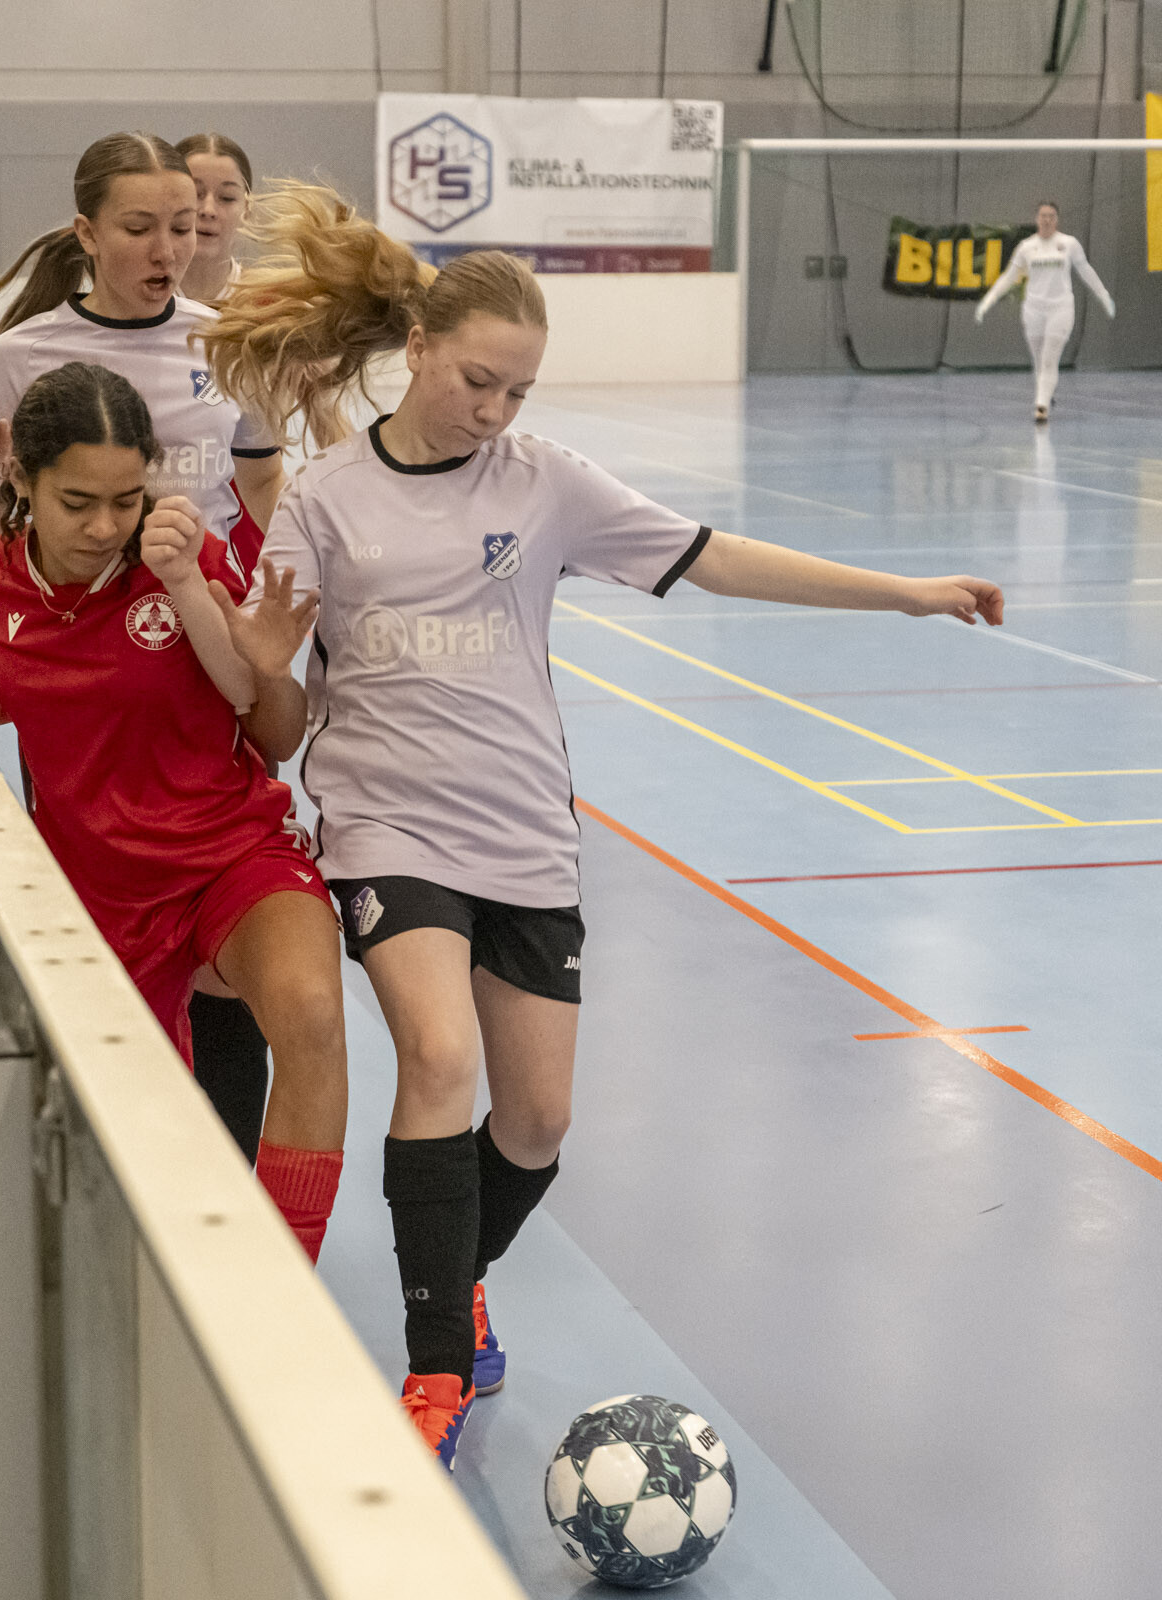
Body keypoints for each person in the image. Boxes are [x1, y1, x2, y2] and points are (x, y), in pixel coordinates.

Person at [201, 183, 1007, 1466]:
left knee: (537, 1123)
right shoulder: (326, 500)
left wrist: (904, 594)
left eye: (518, 392)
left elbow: (717, 556)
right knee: (439, 1059)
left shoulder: (546, 484)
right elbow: (282, 719)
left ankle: (455, 1273)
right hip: (385, 827)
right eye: (477, 381)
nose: (495, 411)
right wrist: (261, 659)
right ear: (419, 347)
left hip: (523, 831)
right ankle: (434, 1371)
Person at [0, 131, 287, 1161]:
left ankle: (221, 1179)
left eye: (183, 227)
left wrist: (290, 579)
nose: (167, 248)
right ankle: (118, 1154)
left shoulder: (228, 345)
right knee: (108, 931)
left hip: (201, 665)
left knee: (225, 942)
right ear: (86, 233)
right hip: (81, 693)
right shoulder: (23, 355)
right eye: (139, 228)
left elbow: (260, 478)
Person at [0, 361, 347, 1259]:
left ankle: (278, 1277)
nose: (105, 526)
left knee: (310, 1015)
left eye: (124, 498)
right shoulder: (0, 574)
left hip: (230, 855)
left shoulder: (185, 559)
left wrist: (231, 630)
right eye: (77, 503)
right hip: (98, 897)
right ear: (25, 484)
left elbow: (270, 730)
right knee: (134, 1156)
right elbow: (52, 683)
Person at [974, 202, 1115, 424]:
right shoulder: (1026, 247)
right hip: (1033, 310)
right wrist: (987, 301)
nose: (1047, 219)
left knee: (1050, 359)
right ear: (1037, 218)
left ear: (1057, 219)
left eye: (1051, 215)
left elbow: (1085, 270)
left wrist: (1104, 295)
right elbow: (1009, 277)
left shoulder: (1069, 244)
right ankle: (1047, 392)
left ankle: (1041, 407)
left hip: (1061, 308)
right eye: (1043, 215)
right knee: (1039, 361)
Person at [177, 131, 254, 304]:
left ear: (247, 209)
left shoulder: (274, 305)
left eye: (226, 198)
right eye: (195, 193)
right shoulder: (130, 299)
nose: (208, 210)